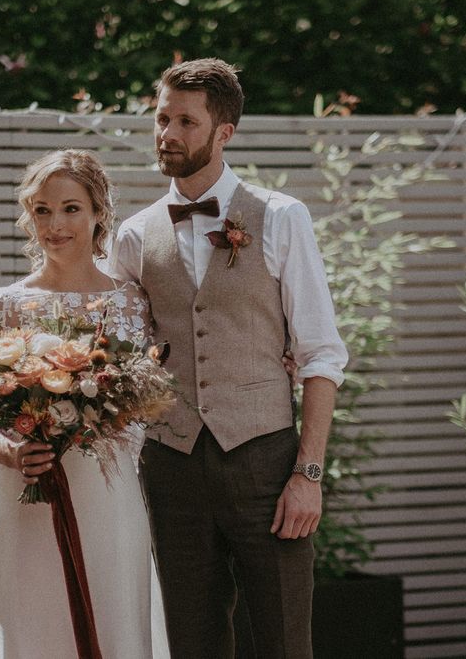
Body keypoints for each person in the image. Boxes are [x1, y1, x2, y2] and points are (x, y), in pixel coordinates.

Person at [110, 58, 349, 658]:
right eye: (162, 118)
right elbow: (119, 354)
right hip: (171, 464)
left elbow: (321, 355)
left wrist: (308, 475)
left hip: (265, 459)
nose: (167, 133)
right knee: (191, 642)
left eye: (186, 121)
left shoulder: (282, 217)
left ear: (224, 133)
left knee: (285, 638)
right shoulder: (134, 236)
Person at [0, 149, 169, 659]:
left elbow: (150, 404)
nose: (55, 224)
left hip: (109, 502)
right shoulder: (3, 305)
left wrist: (92, 416)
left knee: (117, 635)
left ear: (99, 212)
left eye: (71, 208)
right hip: (25, 500)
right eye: (42, 210)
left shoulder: (131, 303)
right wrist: (11, 452)